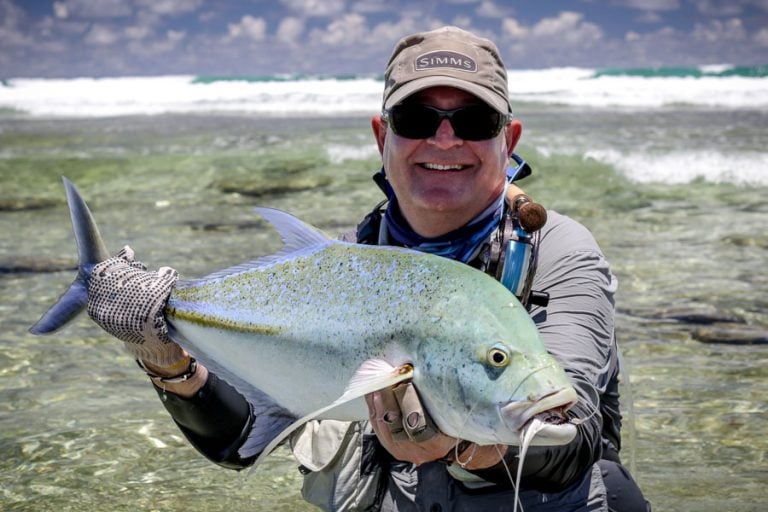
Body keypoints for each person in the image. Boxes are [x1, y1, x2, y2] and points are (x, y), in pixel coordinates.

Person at [86, 26, 650, 511]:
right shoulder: (337, 268)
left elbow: (573, 438)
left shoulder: (558, 252)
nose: (445, 138)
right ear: (384, 136)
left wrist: (461, 448)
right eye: (416, 117)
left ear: (510, 140)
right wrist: (165, 358)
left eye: (474, 119)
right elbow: (242, 440)